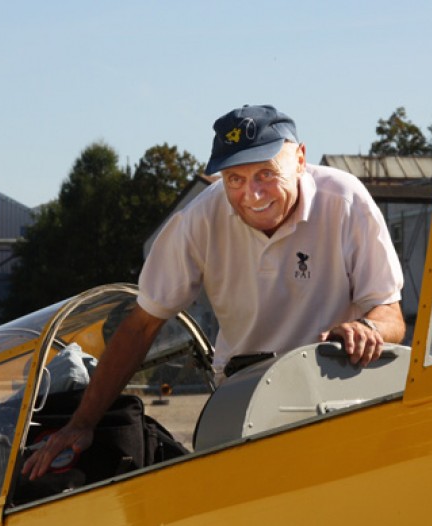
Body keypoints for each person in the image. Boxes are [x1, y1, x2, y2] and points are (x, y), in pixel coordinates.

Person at [23, 104, 405, 479]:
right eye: (234, 180)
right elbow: (141, 325)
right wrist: (82, 424)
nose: (252, 195)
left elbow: (391, 315)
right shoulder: (197, 221)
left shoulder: (345, 200)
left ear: (300, 158)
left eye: (265, 174)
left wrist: (367, 329)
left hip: (334, 393)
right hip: (245, 398)